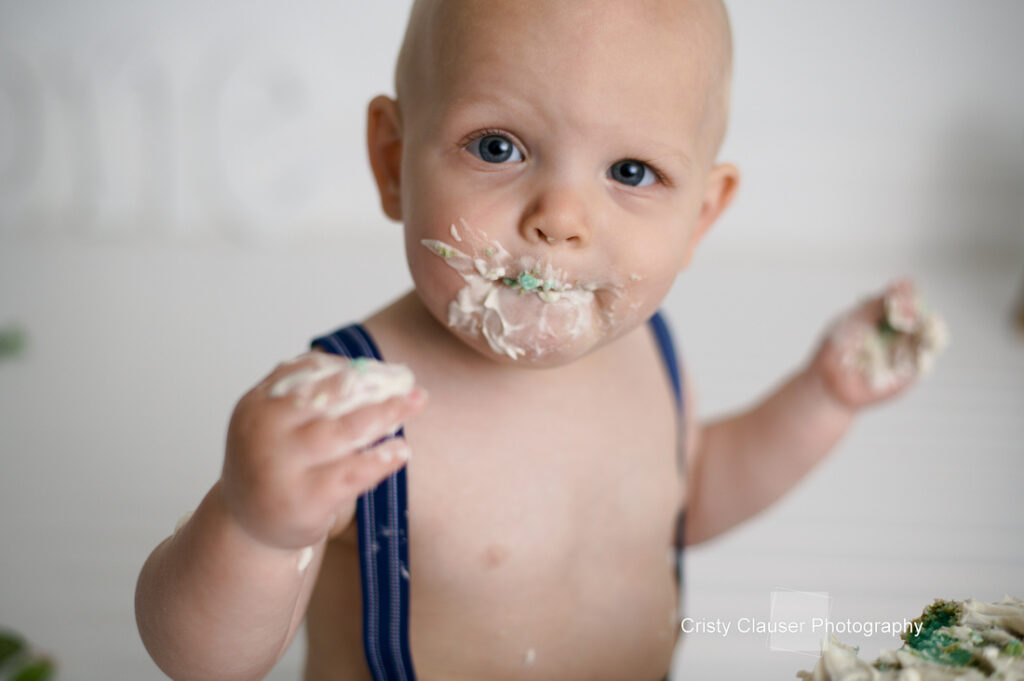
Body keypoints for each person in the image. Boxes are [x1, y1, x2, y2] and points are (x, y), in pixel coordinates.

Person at [135, 1, 937, 679]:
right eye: (497, 147)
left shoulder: (647, 351)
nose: (561, 216)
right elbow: (201, 658)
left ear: (701, 216)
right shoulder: (355, 404)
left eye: (630, 172)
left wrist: (824, 399)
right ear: (391, 160)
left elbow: (688, 496)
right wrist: (253, 528)